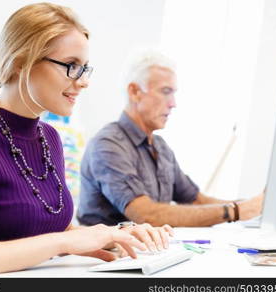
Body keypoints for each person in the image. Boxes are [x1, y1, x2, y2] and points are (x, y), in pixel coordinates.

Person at [0, 3, 173, 278]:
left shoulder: (50, 138)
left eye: (84, 68)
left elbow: (41, 228)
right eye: (71, 66)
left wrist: (115, 235)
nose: (83, 81)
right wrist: (65, 242)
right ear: (20, 63)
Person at [77, 49, 264, 227]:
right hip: (106, 258)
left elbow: (197, 200)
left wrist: (250, 206)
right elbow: (145, 215)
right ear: (134, 91)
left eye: (174, 93)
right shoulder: (108, 145)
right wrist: (236, 211)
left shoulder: (161, 147)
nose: (173, 104)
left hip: (145, 255)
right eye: (166, 92)